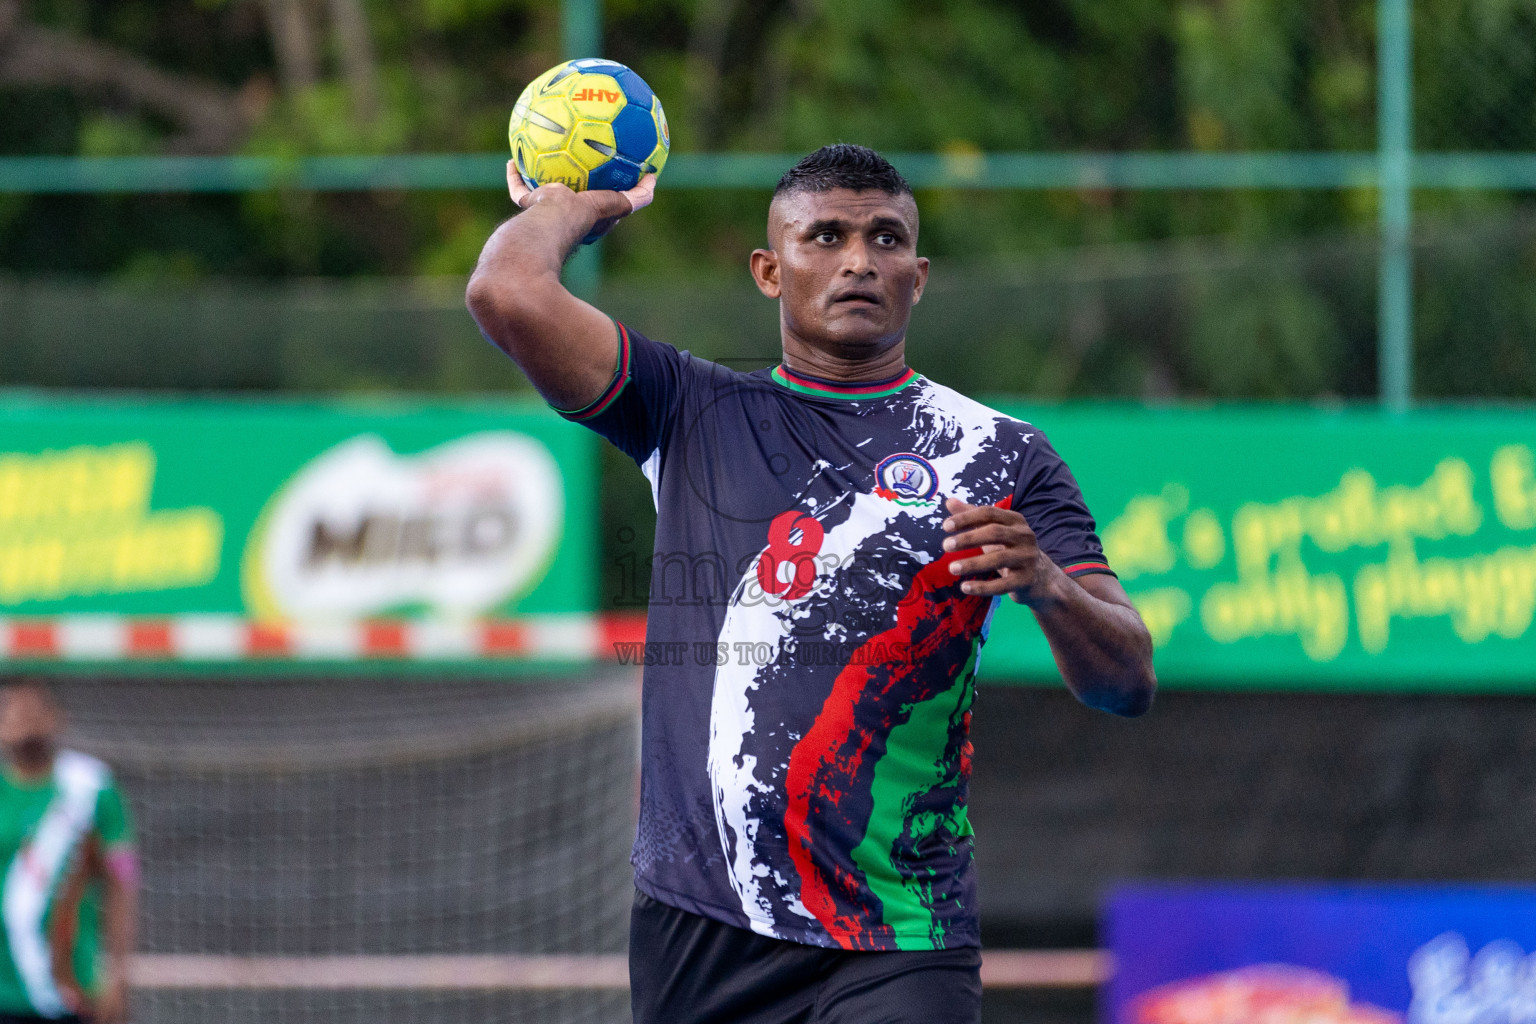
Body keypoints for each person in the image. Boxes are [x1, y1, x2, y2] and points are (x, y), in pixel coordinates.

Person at [467, 143, 1155, 1024]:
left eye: (886, 239)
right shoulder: (689, 410)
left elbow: (1128, 681)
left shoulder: (1000, 453)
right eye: (824, 236)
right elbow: (505, 293)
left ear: (920, 275)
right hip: (700, 926)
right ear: (768, 269)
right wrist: (577, 206)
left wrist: (1050, 586)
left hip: (901, 938)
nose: (859, 259)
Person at [0, 682, 136, 1024]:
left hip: (71, 989)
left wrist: (118, 975)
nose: (23, 721)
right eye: (11, 712)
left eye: (33, 711)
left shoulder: (90, 786)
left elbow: (121, 882)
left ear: (57, 718)